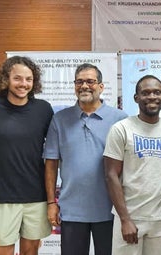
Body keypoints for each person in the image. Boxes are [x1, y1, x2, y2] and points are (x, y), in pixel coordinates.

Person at [43, 63, 127, 255]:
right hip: (72, 209)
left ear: (101, 86)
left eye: (90, 81)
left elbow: (128, 164)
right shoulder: (60, 119)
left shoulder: (119, 119)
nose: (84, 86)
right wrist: (51, 203)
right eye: (79, 82)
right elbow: (51, 163)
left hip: (110, 208)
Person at [103, 75, 161, 255]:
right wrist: (125, 219)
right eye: (145, 93)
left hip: (160, 219)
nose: (152, 97)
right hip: (130, 217)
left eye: (156, 92)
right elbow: (111, 175)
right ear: (136, 98)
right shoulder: (121, 129)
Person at [0, 56, 54, 255]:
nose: (23, 84)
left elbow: (55, 151)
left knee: (30, 253)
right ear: (6, 79)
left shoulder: (43, 109)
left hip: (35, 197)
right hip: (1, 198)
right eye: (18, 78)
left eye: (28, 79)